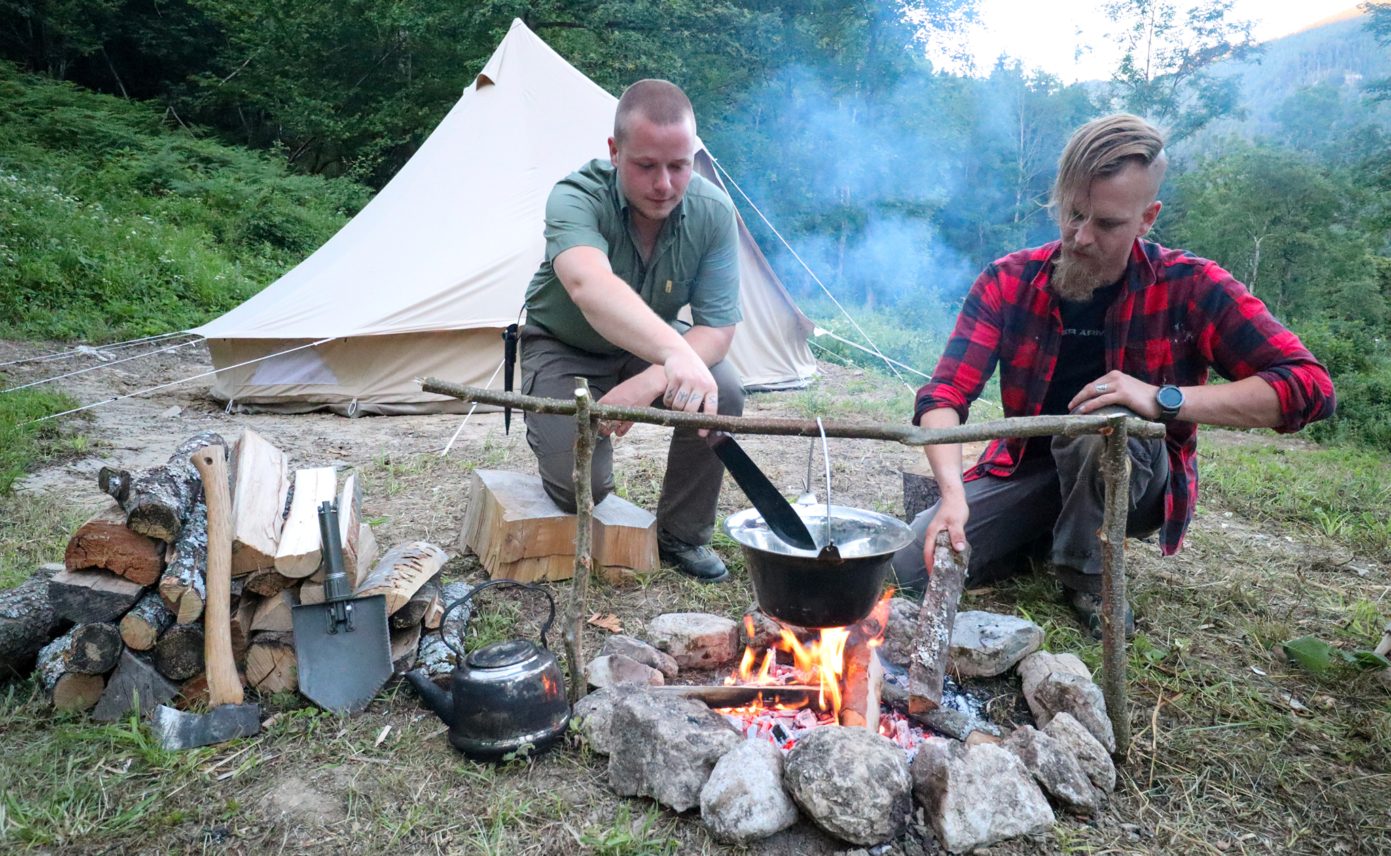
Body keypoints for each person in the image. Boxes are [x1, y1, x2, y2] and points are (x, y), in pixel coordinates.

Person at [890, 113, 1335, 636]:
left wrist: (1162, 399)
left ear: (1147, 219)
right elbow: (946, 393)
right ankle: (1046, 535)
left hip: (1135, 482)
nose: (1080, 237)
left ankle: (1087, 577)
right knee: (906, 569)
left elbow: (1309, 388)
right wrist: (952, 496)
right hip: (1027, 471)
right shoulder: (1008, 280)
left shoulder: (1191, 286)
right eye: (1072, 214)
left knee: (1106, 421)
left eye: (1106, 224)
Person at [520, 79, 744, 583]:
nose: (664, 183)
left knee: (723, 389)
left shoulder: (713, 213)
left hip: (647, 352)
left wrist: (653, 378)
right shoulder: (575, 197)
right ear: (615, 152)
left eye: (679, 166)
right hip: (563, 346)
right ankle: (572, 455)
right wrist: (674, 357)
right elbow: (588, 284)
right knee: (581, 490)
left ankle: (681, 536)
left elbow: (717, 328)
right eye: (646, 166)